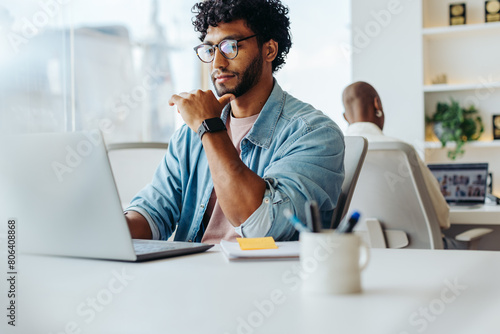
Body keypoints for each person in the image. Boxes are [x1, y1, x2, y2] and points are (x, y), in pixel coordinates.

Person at [124, 0, 345, 243]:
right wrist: (112, 227)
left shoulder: (313, 134)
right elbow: (154, 213)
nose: (217, 63)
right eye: (210, 50)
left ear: (269, 50)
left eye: (230, 47)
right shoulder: (190, 135)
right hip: (191, 273)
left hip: (263, 277)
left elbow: (262, 226)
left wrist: (209, 127)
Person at [341, 81, 461, 248]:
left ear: (345, 117)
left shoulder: (338, 153)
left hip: (362, 256)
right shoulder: (400, 150)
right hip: (422, 256)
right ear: (377, 104)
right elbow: (442, 217)